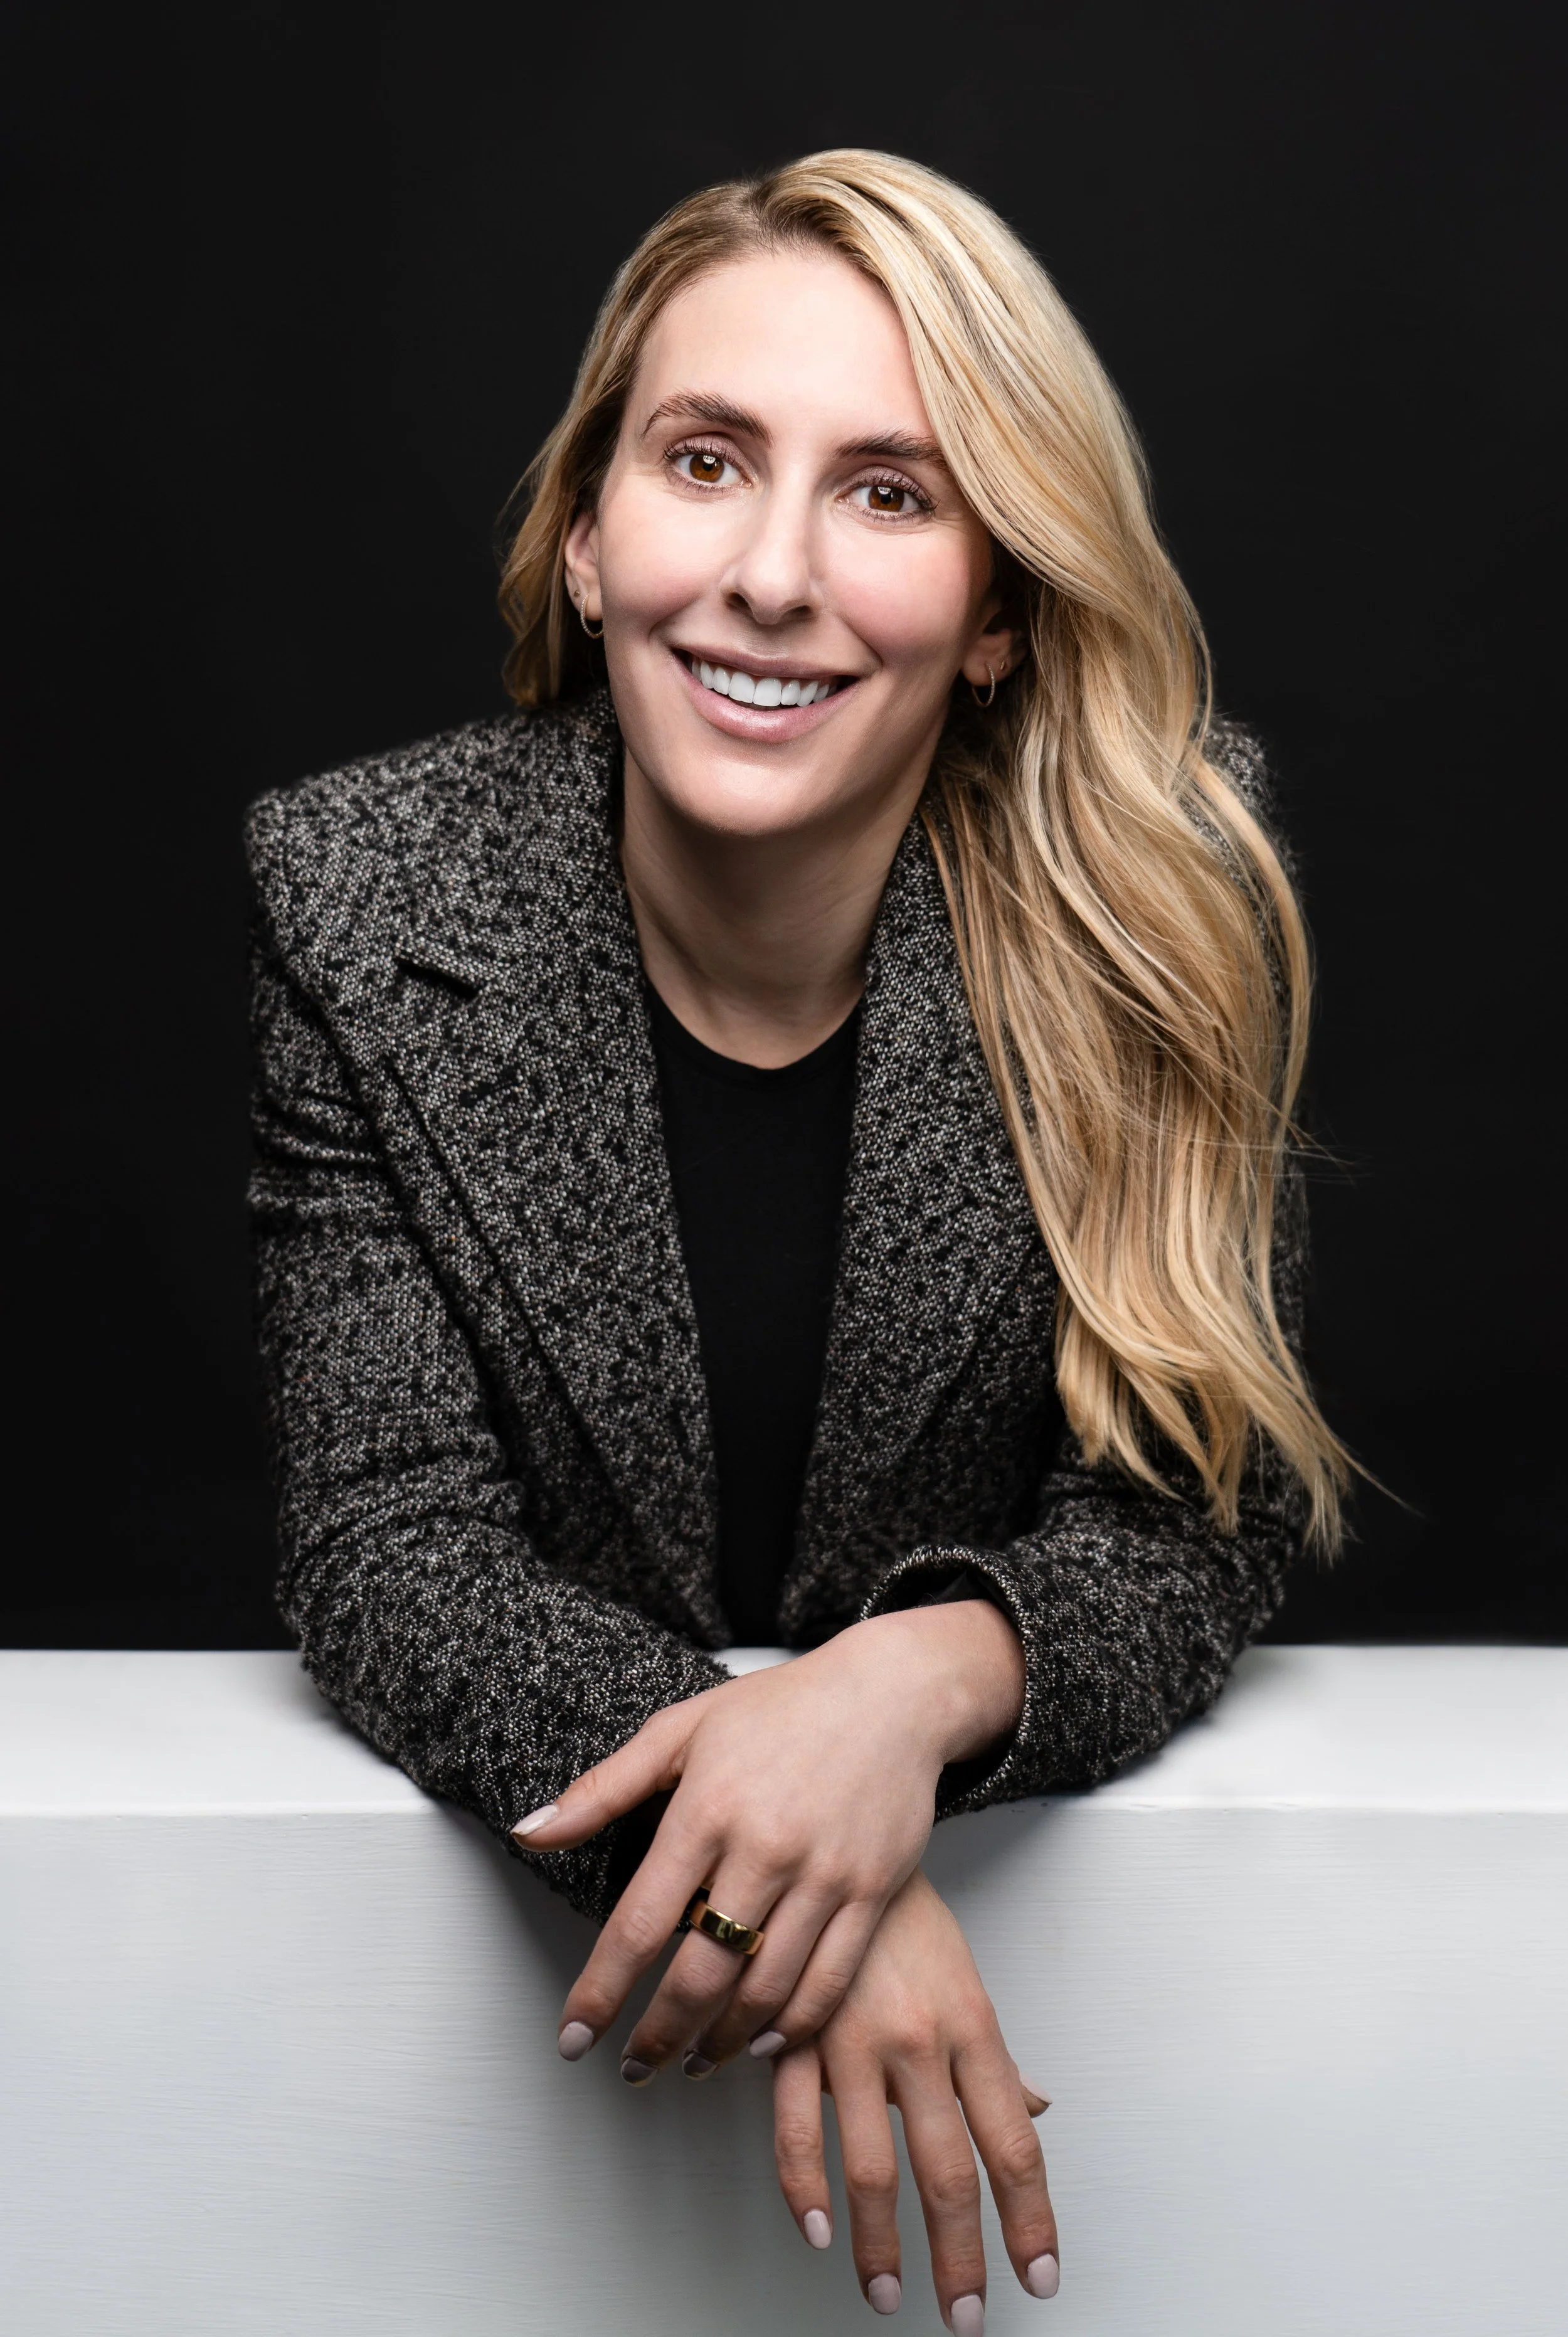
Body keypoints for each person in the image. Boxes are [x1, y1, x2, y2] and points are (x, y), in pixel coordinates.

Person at [246, 149, 1347, 2331]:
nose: (768, 575)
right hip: (454, 2173)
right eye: (704, 460)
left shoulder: (1156, 898)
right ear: (586, 536)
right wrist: (800, 1883)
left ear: (1004, 600)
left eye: (888, 493)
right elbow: (386, 1543)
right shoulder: (359, 897)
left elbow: (1189, 1513)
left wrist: (900, 1693)